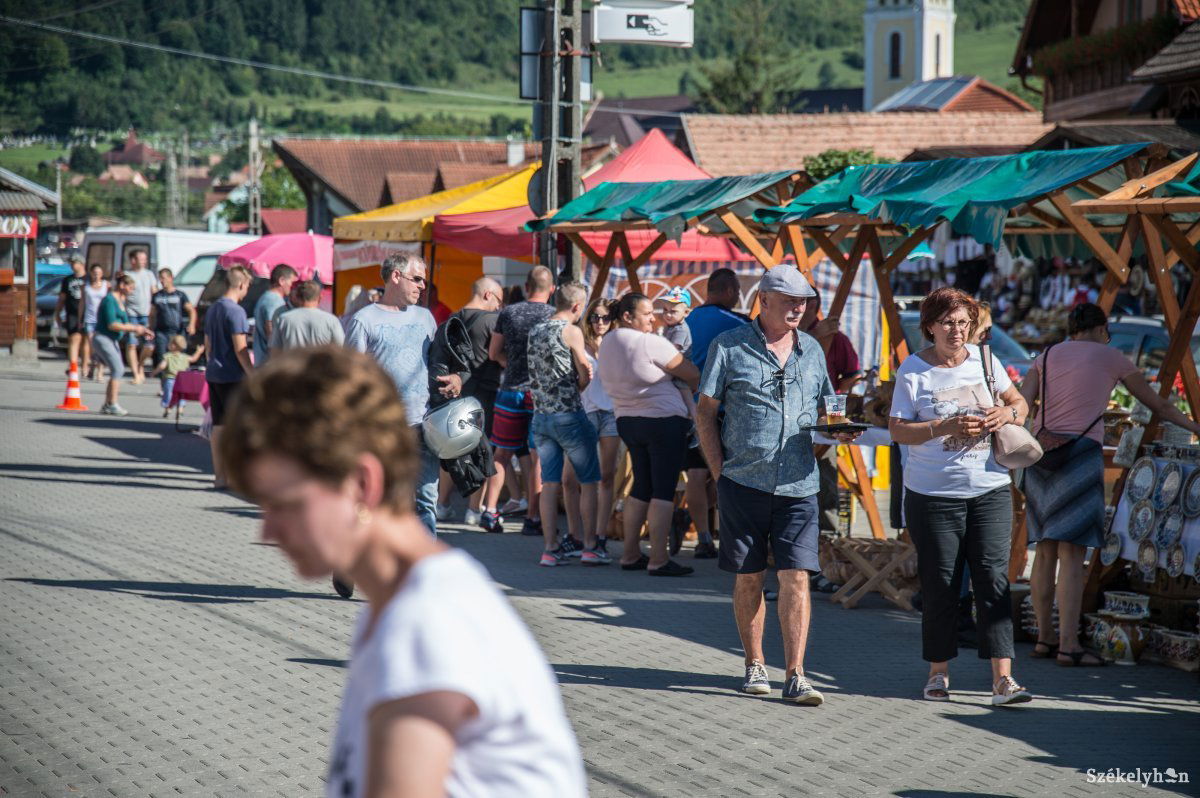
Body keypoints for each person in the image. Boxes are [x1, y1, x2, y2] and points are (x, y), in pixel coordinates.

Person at [219, 347, 587, 798]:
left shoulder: (425, 623)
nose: (268, 530)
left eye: (286, 503)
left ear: (362, 484)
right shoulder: (403, 602)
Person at [697, 265, 857, 705]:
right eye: (789, 301)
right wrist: (719, 472)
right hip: (743, 480)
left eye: (802, 302)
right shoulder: (729, 345)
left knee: (796, 576)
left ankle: (796, 674)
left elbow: (827, 408)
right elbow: (705, 412)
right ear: (763, 300)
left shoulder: (812, 349)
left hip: (799, 483)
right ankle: (754, 663)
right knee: (749, 577)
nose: (798, 309)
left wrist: (838, 428)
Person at [1020, 303, 1200, 667]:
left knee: (1046, 550)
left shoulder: (1046, 356)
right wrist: (1195, 427)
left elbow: (1022, 406)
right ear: (1102, 329)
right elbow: (1159, 406)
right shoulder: (1111, 357)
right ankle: (1069, 645)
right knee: (1073, 554)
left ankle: (1044, 638)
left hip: (1041, 454)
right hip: (1080, 455)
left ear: (1072, 329)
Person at [888, 287, 1033, 706]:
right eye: (948, 323)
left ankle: (1003, 680)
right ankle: (938, 673)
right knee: (941, 585)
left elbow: (1020, 403)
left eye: (964, 323)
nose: (957, 331)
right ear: (930, 327)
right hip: (932, 494)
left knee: (993, 579)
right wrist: (945, 427)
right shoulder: (913, 370)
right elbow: (898, 430)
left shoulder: (986, 361)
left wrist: (1007, 413)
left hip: (990, 489)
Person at [345, 253, 446, 538]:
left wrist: (452, 379)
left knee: (426, 500)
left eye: (424, 280)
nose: (422, 286)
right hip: (381, 427)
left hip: (423, 424)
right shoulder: (364, 320)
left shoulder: (425, 317)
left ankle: (423, 562)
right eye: (417, 279)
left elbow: (437, 363)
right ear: (396, 276)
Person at [599, 292, 700, 577]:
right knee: (663, 490)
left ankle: (630, 553)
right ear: (627, 316)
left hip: (627, 420)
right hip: (663, 421)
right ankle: (658, 558)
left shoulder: (608, 342)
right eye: (646, 314)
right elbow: (691, 373)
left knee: (642, 486)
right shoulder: (649, 342)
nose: (652, 319)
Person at [526, 282, 607, 567]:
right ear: (577, 306)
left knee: (549, 483)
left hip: (541, 416)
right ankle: (590, 546)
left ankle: (550, 548)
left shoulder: (535, 330)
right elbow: (585, 370)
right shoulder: (571, 331)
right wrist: (582, 383)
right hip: (569, 414)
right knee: (588, 481)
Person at [483, 267, 556, 538]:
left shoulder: (509, 313)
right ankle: (533, 518)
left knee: (501, 454)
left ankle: (490, 511)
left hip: (510, 390)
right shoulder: (554, 316)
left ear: (526, 287)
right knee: (538, 458)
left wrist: (511, 363)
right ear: (552, 290)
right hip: (540, 394)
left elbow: (493, 353)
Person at [684, 269, 750, 560]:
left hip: (688, 408)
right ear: (729, 291)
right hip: (722, 412)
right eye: (737, 292)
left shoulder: (687, 320)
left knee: (697, 474)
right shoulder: (737, 323)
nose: (737, 298)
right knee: (726, 475)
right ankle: (733, 540)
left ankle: (702, 537)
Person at [434, 277, 503, 528]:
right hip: (484, 394)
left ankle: (442, 505)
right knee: (481, 451)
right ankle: (474, 510)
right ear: (487, 294)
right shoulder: (493, 321)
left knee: (451, 449)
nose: (499, 306)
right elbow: (500, 355)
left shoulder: (451, 319)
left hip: (454, 394)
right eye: (498, 300)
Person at [563, 298, 621, 558]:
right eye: (595, 317)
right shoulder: (578, 342)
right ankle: (575, 534)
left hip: (610, 413)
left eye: (605, 317)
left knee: (606, 477)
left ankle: (599, 536)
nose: (600, 322)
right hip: (583, 413)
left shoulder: (616, 345)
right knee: (569, 478)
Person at [205, 266, 255, 490]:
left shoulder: (213, 308)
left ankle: (220, 476)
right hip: (232, 375)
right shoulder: (236, 311)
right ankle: (235, 477)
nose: (247, 291)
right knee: (236, 427)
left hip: (214, 372)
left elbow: (207, 344)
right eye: (248, 286)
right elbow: (240, 348)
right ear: (241, 284)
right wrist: (252, 373)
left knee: (219, 426)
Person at [93, 273, 152, 416]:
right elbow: (112, 324)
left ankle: (108, 404)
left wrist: (142, 330)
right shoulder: (109, 300)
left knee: (117, 369)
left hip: (112, 339)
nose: (132, 291)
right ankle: (112, 404)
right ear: (122, 285)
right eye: (130, 288)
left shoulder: (121, 300)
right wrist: (135, 328)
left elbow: (126, 324)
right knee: (118, 369)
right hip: (103, 337)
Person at [269, 280, 345, 351]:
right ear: (320, 298)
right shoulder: (331, 320)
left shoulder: (284, 319)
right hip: (321, 361)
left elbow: (275, 351)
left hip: (291, 361)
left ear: (298, 297)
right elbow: (341, 348)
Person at [121, 249, 158, 384]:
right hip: (131, 314)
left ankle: (140, 365)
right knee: (132, 344)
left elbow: (154, 292)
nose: (144, 262)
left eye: (144, 259)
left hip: (146, 314)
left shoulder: (149, 274)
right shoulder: (127, 275)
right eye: (141, 259)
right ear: (133, 260)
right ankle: (136, 374)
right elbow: (121, 293)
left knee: (149, 345)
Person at [148, 268, 196, 370]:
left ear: (171, 278)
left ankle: (178, 378)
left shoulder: (180, 295)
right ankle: (164, 378)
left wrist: (192, 325)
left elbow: (191, 311)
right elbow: (152, 314)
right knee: (162, 358)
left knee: (178, 359)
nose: (162, 281)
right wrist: (151, 328)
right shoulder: (157, 296)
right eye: (160, 278)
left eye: (164, 278)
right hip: (161, 332)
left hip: (177, 331)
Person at [253, 263, 298, 365]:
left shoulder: (266, 297)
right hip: (269, 363)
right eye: (292, 282)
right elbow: (271, 328)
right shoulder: (274, 301)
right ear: (282, 281)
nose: (293, 287)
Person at [152, 334, 202, 417]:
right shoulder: (185, 357)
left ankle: (168, 409)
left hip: (170, 380)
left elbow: (162, 366)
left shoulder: (168, 356)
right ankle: (180, 409)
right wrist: (198, 352)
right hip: (182, 381)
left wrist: (154, 372)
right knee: (181, 395)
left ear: (173, 345)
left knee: (169, 395)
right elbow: (194, 359)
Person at [56, 257, 87, 368]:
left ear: (82, 264)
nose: (73, 265)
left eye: (75, 263)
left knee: (85, 341)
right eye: (71, 263)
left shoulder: (88, 279)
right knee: (74, 338)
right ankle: (73, 366)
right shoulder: (67, 280)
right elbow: (62, 298)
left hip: (87, 314)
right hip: (72, 313)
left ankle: (85, 365)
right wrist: (57, 313)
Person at [82, 263, 109, 380]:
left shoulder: (106, 285)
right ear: (91, 273)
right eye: (94, 273)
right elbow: (82, 303)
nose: (96, 275)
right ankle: (93, 366)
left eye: (99, 273)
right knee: (93, 346)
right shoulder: (86, 286)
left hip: (102, 320)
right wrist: (80, 319)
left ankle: (100, 372)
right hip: (90, 319)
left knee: (101, 346)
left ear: (102, 274)